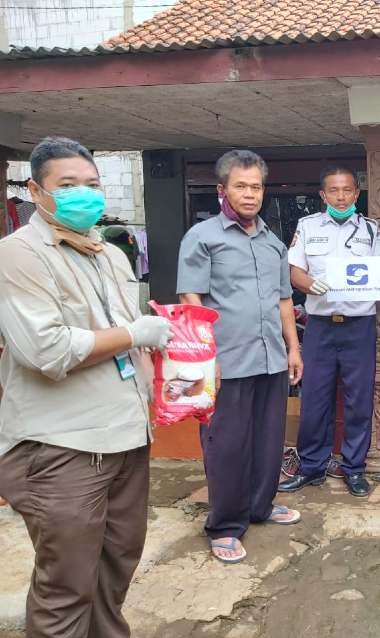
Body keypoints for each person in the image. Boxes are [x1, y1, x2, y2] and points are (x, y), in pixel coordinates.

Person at [0, 137, 172, 637]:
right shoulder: (19, 256)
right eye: (68, 186)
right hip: (62, 448)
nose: (85, 195)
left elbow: (121, 332)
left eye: (92, 185)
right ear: (36, 191)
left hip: (125, 436)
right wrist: (133, 333)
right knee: (66, 589)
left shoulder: (109, 255)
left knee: (115, 570)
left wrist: (164, 353)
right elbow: (45, 350)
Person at [177, 150, 303, 564]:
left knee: (268, 439)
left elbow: (285, 300)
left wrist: (293, 347)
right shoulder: (203, 237)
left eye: (256, 187)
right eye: (241, 186)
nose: (250, 195)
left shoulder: (271, 243)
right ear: (222, 190)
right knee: (226, 444)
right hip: (224, 360)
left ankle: (261, 506)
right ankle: (226, 524)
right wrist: (202, 353)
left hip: (270, 358)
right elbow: (190, 297)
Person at [278, 165, 380, 497]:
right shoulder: (307, 227)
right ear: (323, 195)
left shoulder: (371, 230)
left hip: (359, 327)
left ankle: (353, 468)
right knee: (315, 398)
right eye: (334, 190)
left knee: (358, 399)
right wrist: (309, 284)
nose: (341, 196)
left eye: (347, 190)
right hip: (320, 327)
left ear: (357, 194)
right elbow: (294, 270)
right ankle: (311, 467)